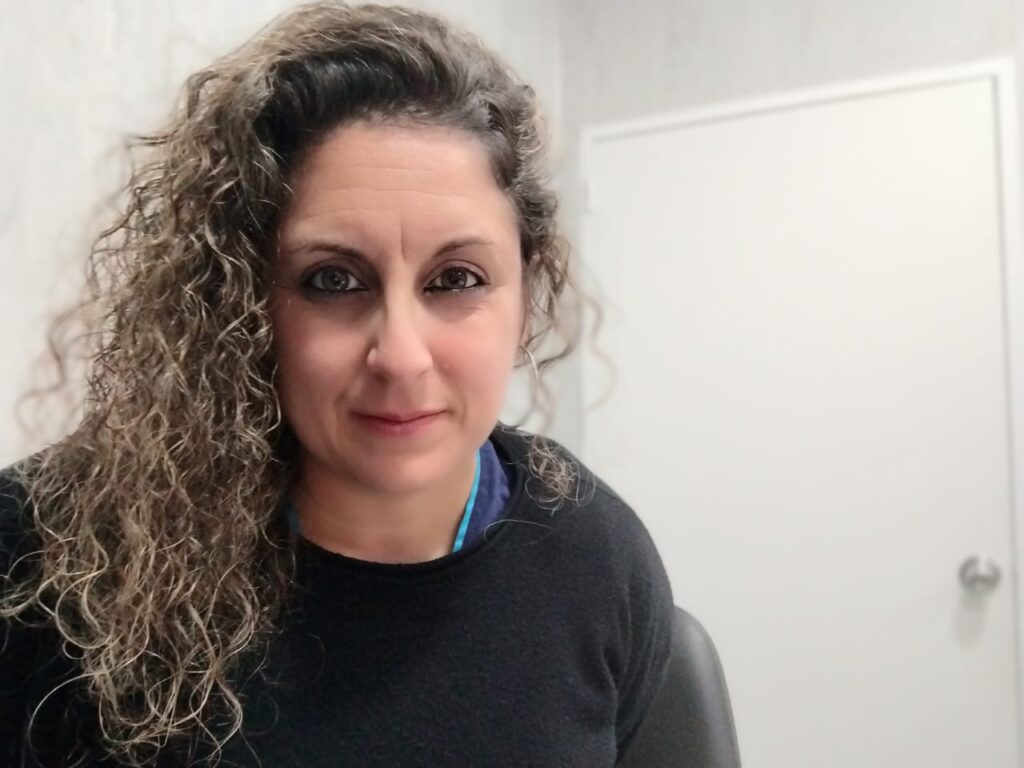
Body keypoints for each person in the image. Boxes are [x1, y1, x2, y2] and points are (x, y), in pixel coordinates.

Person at [0, 3, 675, 765]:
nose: (401, 357)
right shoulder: (42, 554)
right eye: (332, 280)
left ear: (526, 292)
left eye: (457, 278)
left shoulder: (594, 557)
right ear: (242, 305)